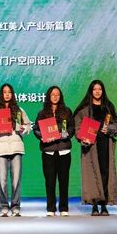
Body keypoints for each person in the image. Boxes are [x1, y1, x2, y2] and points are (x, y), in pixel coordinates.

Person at [74, 80, 117, 216]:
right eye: (95, 89)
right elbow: (77, 128)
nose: (97, 92)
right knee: (92, 174)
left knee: (105, 173)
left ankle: (104, 204)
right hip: (90, 146)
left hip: (105, 144)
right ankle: (94, 205)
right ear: (91, 91)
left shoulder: (108, 107)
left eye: (100, 89)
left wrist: (109, 128)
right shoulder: (84, 109)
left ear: (103, 91)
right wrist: (82, 137)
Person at [0, 83, 31, 217]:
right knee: (2, 180)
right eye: (4, 92)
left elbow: (28, 125)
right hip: (1, 148)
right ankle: (3, 206)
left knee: (16, 180)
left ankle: (16, 206)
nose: (7, 94)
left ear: (12, 94)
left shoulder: (19, 110)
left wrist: (23, 129)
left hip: (16, 148)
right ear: (1, 94)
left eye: (9, 92)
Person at [33, 86, 75, 217]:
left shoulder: (67, 111)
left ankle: (64, 207)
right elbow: (36, 129)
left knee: (64, 181)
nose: (55, 97)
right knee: (50, 181)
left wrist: (67, 134)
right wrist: (42, 136)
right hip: (49, 151)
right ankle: (51, 208)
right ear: (48, 96)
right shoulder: (42, 113)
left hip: (63, 150)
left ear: (60, 96)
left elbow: (72, 127)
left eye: (57, 94)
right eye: (53, 94)